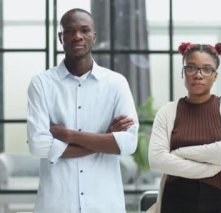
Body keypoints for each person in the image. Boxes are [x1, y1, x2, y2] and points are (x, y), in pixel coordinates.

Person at [27, 8, 139, 213]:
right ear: (61, 37)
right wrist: (105, 139)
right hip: (57, 204)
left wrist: (69, 135)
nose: (77, 36)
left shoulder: (116, 83)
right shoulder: (41, 84)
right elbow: (38, 146)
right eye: (69, 30)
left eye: (84, 30)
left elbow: (129, 143)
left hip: (105, 205)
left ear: (93, 37)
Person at [148, 42, 221, 213]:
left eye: (207, 69)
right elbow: (156, 159)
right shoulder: (167, 112)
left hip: (218, 201)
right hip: (175, 199)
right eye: (191, 68)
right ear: (183, 72)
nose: (198, 75)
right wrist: (208, 169)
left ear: (215, 76)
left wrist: (179, 153)